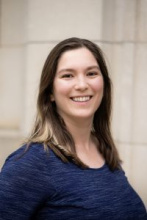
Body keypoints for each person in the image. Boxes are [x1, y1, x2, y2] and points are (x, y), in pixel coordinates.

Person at [0, 37, 146, 220]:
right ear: (50, 92)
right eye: (68, 75)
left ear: (104, 84)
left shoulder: (103, 149)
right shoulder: (30, 164)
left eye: (91, 73)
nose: (82, 85)